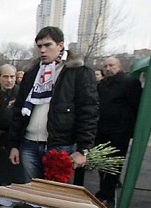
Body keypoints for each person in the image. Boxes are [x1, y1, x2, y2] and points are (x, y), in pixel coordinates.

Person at [8, 26, 98, 183]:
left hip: (60, 145)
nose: (42, 50)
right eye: (39, 46)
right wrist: (14, 144)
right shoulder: (32, 73)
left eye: (47, 45)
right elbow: (19, 109)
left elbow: (88, 111)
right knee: (31, 196)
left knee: (54, 199)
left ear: (60, 46)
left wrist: (83, 149)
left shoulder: (78, 72)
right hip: (29, 144)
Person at [94, 56, 142, 206]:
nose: (108, 68)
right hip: (102, 129)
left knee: (114, 163)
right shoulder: (103, 84)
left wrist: (130, 128)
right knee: (101, 160)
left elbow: (136, 107)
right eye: (106, 66)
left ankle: (108, 193)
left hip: (120, 131)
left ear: (119, 66)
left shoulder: (130, 83)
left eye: (111, 65)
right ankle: (104, 189)